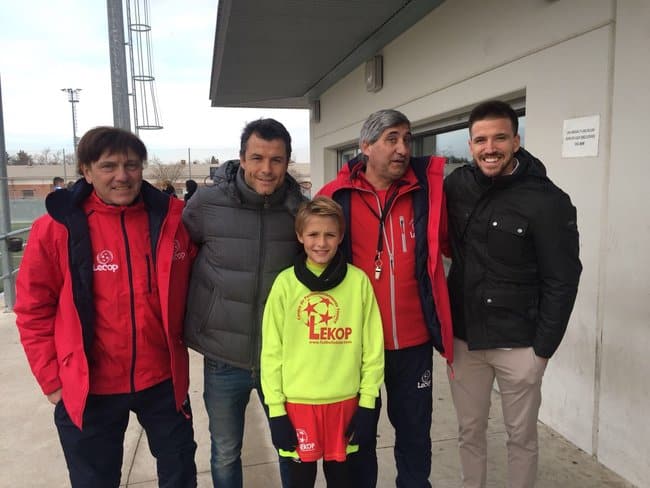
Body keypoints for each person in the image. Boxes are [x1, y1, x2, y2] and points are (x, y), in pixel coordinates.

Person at [14, 126, 198, 487]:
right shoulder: (55, 228)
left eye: (131, 165)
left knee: (180, 473)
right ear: (86, 171)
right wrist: (53, 381)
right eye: (108, 166)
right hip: (90, 386)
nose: (122, 176)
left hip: (161, 379)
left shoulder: (171, 220)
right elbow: (33, 310)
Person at [443, 100, 582, 488]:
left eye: (500, 137)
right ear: (470, 145)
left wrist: (542, 350)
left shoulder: (548, 202)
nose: (490, 148)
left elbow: (563, 278)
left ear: (516, 141)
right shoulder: (456, 186)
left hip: (520, 345)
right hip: (464, 340)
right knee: (469, 433)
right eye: (481, 139)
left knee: (521, 438)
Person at [318, 109, 454, 488]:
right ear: (365, 147)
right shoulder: (334, 197)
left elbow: (451, 246)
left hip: (413, 344)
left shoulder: (426, 193)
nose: (402, 149)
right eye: (391, 139)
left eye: (407, 139)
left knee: (415, 435)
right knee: (359, 439)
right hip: (357, 347)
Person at [183, 118, 307, 488]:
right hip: (223, 358)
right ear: (241, 158)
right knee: (224, 451)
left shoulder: (299, 211)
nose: (266, 169)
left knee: (290, 448)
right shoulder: (206, 204)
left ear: (287, 162)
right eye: (257, 158)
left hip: (281, 360)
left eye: (276, 160)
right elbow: (179, 256)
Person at [261, 196, 385, 488]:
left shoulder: (358, 282)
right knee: (300, 482)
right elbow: (271, 353)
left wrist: (368, 402)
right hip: (298, 406)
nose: (321, 242)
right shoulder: (285, 285)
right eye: (313, 234)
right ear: (300, 236)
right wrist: (276, 410)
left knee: (343, 481)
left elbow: (373, 349)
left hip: (344, 403)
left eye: (330, 234)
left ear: (341, 236)